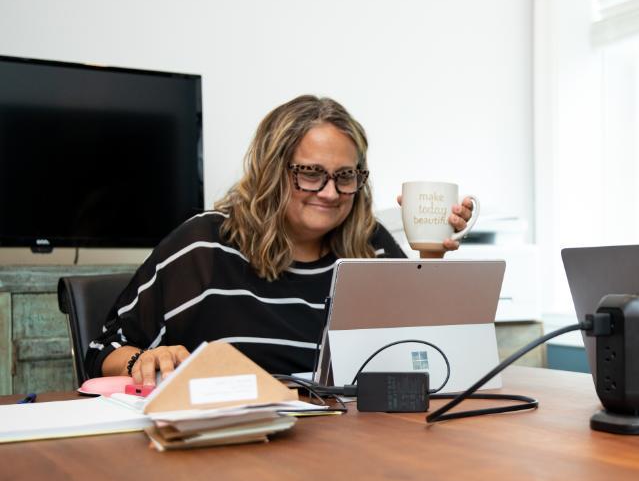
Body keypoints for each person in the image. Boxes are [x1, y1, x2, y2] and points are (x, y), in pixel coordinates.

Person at [87, 95, 475, 385]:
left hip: (349, 446)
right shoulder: (204, 246)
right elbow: (102, 351)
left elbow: (422, 352)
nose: (330, 192)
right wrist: (147, 358)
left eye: (345, 175)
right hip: (236, 450)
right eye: (310, 173)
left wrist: (429, 255)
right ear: (272, 171)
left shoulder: (368, 246)